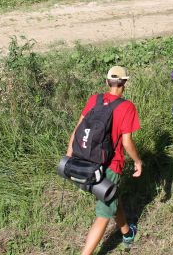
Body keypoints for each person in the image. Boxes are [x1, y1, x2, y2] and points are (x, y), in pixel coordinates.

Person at [66, 66, 143, 254]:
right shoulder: (127, 107)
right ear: (125, 83)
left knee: (112, 198)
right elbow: (126, 142)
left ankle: (127, 234)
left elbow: (78, 128)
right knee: (103, 215)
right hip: (111, 166)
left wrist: (69, 155)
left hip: (86, 162)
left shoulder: (95, 99)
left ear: (106, 82)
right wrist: (138, 161)